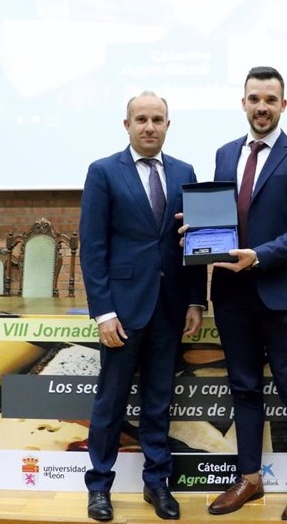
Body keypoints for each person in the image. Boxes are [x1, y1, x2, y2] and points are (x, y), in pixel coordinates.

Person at [79, 91, 207, 521]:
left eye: (157, 119)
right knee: (110, 403)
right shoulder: (103, 172)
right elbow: (92, 248)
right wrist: (103, 312)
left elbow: (196, 242)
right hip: (122, 311)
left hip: (170, 308)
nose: (149, 126)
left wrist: (195, 299)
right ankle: (99, 486)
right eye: (141, 119)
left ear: (168, 125)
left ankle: (158, 484)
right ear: (127, 125)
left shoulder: (185, 172)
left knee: (158, 402)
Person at [206, 66, 287, 520]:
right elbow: (215, 219)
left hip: (283, 293)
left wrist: (258, 255)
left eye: (270, 100)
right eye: (254, 98)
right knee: (244, 388)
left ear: (283, 105)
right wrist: (195, 237)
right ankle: (249, 478)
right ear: (243, 103)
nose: (261, 107)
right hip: (233, 295)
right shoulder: (223, 154)